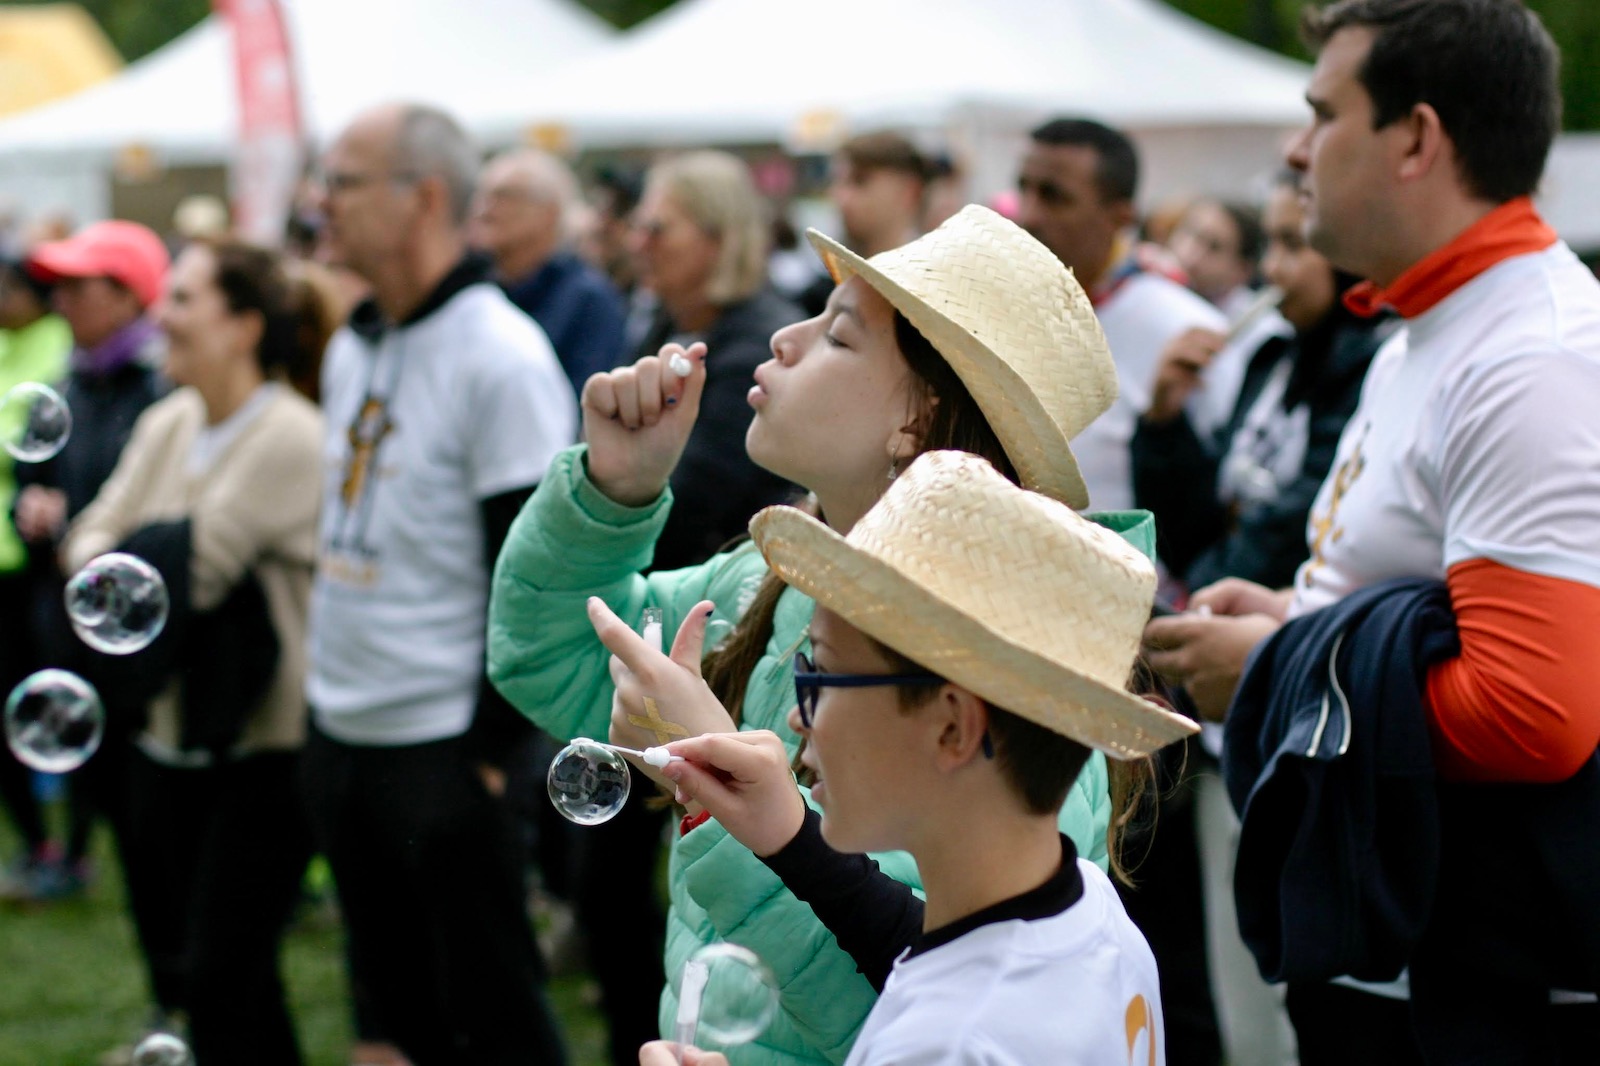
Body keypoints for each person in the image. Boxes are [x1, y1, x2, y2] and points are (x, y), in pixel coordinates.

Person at [489, 204, 1129, 1065]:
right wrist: (615, 492)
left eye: (837, 335)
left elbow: (932, 1004)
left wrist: (714, 782)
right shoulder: (766, 582)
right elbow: (548, 657)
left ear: (918, 418)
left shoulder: (1003, 673)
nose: (784, 338)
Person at [1144, 1, 1600, 1059]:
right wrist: (1293, 615)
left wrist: (1272, 667)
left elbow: (1534, 712)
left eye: (1322, 113)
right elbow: (1410, 601)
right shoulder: (1424, 331)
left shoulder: (1530, 354)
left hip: (1476, 989)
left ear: (1415, 139)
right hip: (1403, 959)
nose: (1295, 149)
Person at [616, 451, 1196, 1064]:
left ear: (952, 726)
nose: (796, 717)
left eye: (821, 674)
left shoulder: (944, 1045)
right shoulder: (1092, 910)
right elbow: (904, 944)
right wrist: (787, 838)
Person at [302, 103, 572, 1066]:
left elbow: (534, 577)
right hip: (343, 730)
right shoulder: (354, 343)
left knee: (495, 1017)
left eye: (343, 181)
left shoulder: (499, 354)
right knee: (389, 1012)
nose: (321, 202)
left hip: (443, 751)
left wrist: (490, 756)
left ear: (422, 198)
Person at [1132, 171, 1389, 1066]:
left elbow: (1292, 527)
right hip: (1226, 691)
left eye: (1293, 244)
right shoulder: (1271, 361)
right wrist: (1165, 421)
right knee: (1231, 963)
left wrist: (1190, 607)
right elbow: (1203, 518)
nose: (1274, 270)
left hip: (1303, 691)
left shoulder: (1373, 363)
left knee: (1292, 981)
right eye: (1270, 244)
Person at [61, 239, 331, 1066]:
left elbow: (194, 573)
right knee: (216, 978)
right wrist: (141, 551)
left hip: (265, 750)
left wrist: (132, 551)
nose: (161, 317)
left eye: (182, 299)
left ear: (244, 325)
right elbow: (87, 546)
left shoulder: (291, 435)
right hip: (167, 735)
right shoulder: (170, 419)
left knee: (224, 974)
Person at [10, 220, 170, 906]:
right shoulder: (66, 389)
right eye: (59, 287)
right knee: (79, 743)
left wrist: (74, 521)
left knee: (142, 782)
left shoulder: (163, 393)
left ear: (129, 296)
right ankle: (73, 854)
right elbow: (32, 480)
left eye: (80, 287)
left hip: (140, 622)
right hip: (66, 609)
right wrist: (31, 511)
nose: (63, 302)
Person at [1016, 118, 1234, 511]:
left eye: (1054, 196)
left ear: (1120, 218)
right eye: (1023, 189)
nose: (1028, 214)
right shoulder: (1000, 309)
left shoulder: (1186, 329)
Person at [628, 151, 801, 572]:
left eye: (657, 230)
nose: (638, 244)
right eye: (638, 227)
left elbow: (687, 509)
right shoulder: (670, 322)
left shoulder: (763, 347)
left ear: (718, 239)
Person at [0, 256, 71, 901]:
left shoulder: (60, 350)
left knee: (40, 702)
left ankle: (64, 851)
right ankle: (36, 844)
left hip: (30, 569)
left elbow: (30, 447)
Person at [472, 148, 628, 396]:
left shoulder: (588, 301)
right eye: (481, 196)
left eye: (504, 196)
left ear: (549, 213)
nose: (484, 209)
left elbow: (586, 400)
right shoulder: (477, 290)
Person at [829, 131, 928, 258]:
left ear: (909, 192)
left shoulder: (937, 267)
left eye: (860, 181)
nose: (841, 196)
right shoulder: (826, 266)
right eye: (838, 182)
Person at [1168, 199, 1266, 320]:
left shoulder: (1258, 326)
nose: (1191, 254)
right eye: (1190, 231)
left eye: (1214, 247)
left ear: (1243, 270)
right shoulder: (1150, 273)